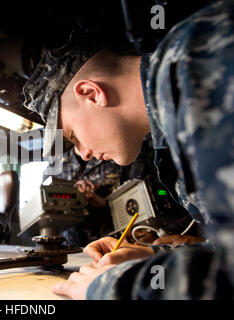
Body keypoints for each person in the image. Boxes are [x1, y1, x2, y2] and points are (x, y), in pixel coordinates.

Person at [22, 0, 234, 299]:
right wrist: (152, 255)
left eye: (72, 136)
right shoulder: (176, 101)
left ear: (91, 94)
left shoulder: (197, 62)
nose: (81, 153)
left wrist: (109, 287)